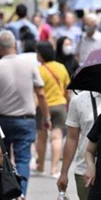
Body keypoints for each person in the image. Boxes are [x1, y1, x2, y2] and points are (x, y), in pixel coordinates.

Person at [0, 30, 50, 200]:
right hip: (25, 120)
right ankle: (21, 195)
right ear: (16, 45)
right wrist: (46, 116)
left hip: (1, 121)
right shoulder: (29, 65)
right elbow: (41, 93)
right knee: (23, 159)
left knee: (2, 159)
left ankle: (6, 198)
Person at [35, 42, 71, 177]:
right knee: (57, 137)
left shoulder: (39, 70)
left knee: (42, 138)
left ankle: (41, 167)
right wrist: (67, 101)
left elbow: (38, 91)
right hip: (60, 105)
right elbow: (67, 88)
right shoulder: (61, 67)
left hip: (43, 107)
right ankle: (54, 169)